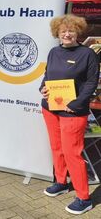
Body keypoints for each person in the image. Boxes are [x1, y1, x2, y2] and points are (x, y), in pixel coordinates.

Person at [39, 14, 99, 215]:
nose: (67, 34)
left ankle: (84, 197)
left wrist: (77, 103)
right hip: (50, 108)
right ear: (57, 32)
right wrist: (43, 89)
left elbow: (91, 83)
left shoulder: (88, 54)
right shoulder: (54, 52)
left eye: (71, 31)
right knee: (56, 148)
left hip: (73, 111)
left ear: (77, 32)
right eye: (63, 31)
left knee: (72, 152)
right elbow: (47, 75)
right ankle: (62, 182)